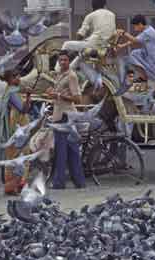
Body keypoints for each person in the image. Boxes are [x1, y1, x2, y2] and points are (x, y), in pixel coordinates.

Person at [46, 50, 86, 189]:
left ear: (69, 61)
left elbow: (77, 98)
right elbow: (58, 95)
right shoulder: (58, 75)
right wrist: (51, 94)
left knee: (62, 152)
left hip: (66, 117)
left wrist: (58, 95)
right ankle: (79, 181)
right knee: (71, 150)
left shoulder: (71, 76)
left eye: (65, 60)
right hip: (59, 115)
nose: (62, 62)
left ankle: (59, 182)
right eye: (60, 60)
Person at [0, 69, 33, 195]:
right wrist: (29, 95)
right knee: (18, 156)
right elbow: (23, 109)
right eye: (16, 77)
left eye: (19, 76)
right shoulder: (12, 92)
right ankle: (14, 186)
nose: (18, 79)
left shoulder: (12, 91)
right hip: (16, 127)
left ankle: (17, 185)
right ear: (9, 80)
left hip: (18, 124)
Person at [115, 14, 155, 95]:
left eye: (135, 26)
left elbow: (136, 40)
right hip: (150, 56)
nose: (135, 28)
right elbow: (134, 40)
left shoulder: (149, 32)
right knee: (134, 54)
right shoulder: (146, 31)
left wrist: (124, 33)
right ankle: (144, 76)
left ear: (140, 24)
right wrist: (122, 46)